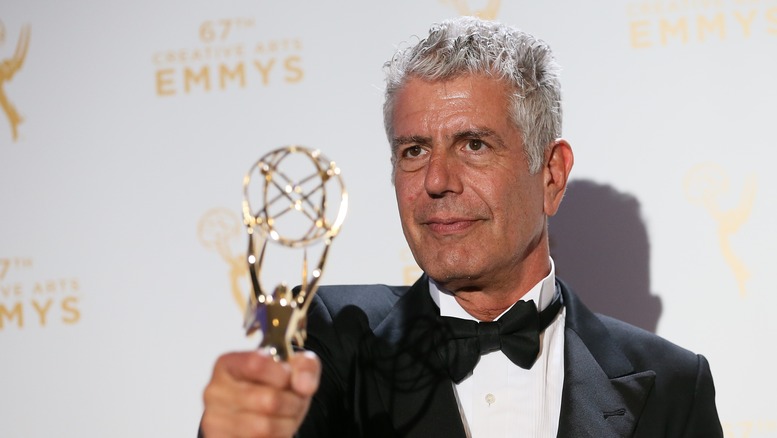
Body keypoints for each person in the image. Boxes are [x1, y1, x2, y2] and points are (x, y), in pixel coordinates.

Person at [200, 17, 723, 437]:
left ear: (551, 175)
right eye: (413, 150)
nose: (435, 180)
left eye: (473, 144)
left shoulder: (673, 386)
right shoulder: (331, 337)